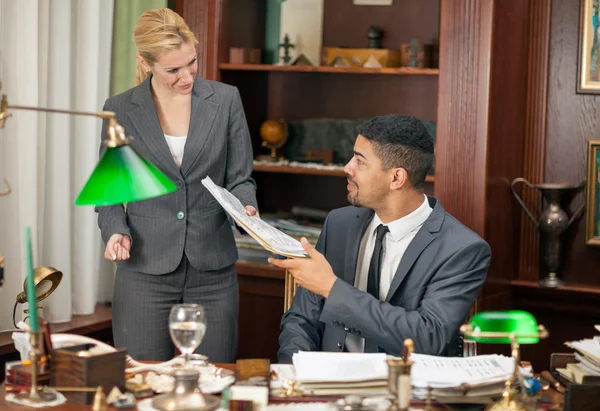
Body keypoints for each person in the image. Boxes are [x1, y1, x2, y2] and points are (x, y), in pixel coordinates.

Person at [96, 8, 258, 362]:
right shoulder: (120, 109)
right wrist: (114, 231)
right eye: (173, 70)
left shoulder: (226, 99)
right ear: (146, 62)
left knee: (213, 380)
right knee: (142, 380)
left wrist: (246, 208)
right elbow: (111, 194)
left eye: (192, 64)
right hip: (143, 269)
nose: (186, 77)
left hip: (212, 270)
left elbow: (240, 178)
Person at [272, 114, 491, 363]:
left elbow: (427, 337)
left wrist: (332, 289)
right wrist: (295, 376)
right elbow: (301, 320)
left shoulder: (461, 249)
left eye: (360, 161)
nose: (347, 168)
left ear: (396, 178)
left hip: (404, 390)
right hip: (325, 387)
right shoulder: (339, 224)